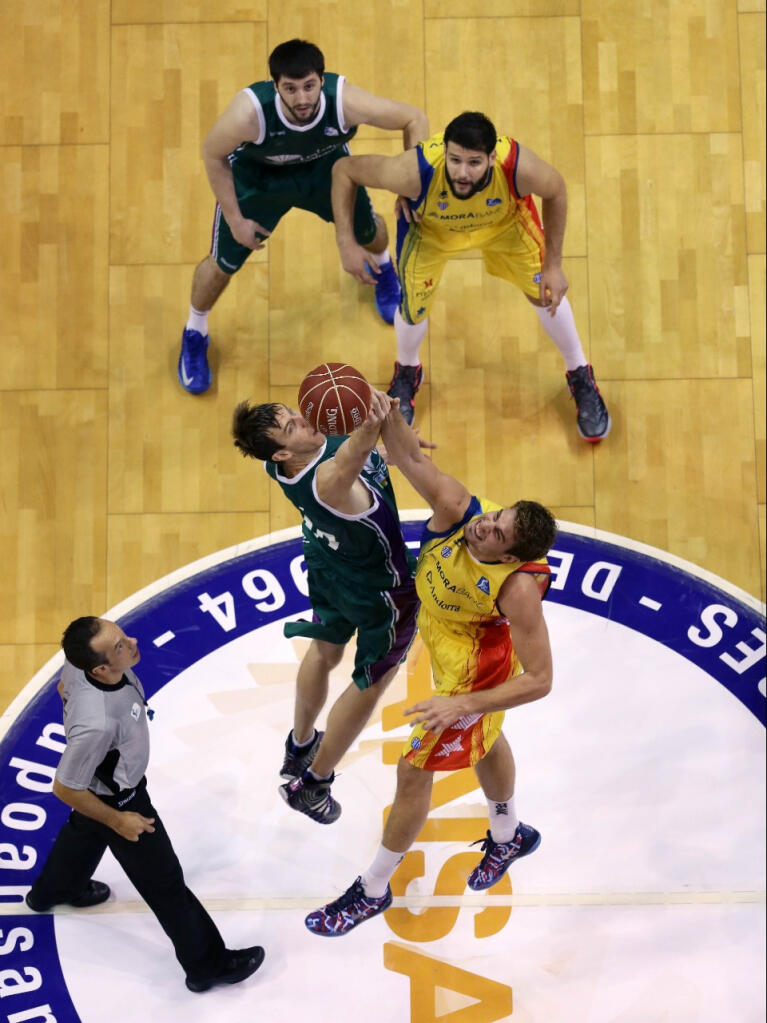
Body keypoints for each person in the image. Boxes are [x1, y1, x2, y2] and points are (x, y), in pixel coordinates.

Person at [304, 400, 556, 936]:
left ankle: (373, 889)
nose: (485, 526)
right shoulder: (460, 509)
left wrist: (461, 703)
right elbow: (410, 459)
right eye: (495, 515)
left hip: (473, 670)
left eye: (497, 534)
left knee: (413, 770)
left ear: (511, 557)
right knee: (486, 741)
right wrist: (384, 412)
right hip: (444, 644)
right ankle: (509, 833)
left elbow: (540, 680)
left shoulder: (516, 592)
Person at [331, 110, 611, 441]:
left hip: (504, 226)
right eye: (455, 160)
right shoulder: (413, 172)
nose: (462, 172)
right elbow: (344, 171)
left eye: (474, 162)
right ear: (445, 152)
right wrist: (346, 242)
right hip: (432, 233)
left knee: (546, 293)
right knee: (412, 307)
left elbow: (557, 190)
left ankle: (580, 372)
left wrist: (553, 265)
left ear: (492, 157)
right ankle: (407, 372)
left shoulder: (517, 167)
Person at [25, 617, 265, 993]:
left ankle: (53, 891)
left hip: (106, 790)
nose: (133, 641)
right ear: (102, 668)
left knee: (85, 831)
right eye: (121, 645)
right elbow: (66, 789)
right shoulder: (98, 724)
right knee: (166, 884)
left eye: (122, 635)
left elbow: (62, 688)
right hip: (123, 800)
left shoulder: (76, 664)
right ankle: (207, 965)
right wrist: (119, 819)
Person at [178, 38, 429, 394]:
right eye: (290, 89)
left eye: (309, 86)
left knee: (369, 232)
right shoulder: (249, 114)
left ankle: (383, 266)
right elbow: (212, 154)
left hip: (325, 171)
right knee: (222, 265)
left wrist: (411, 182)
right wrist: (235, 220)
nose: (302, 99)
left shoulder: (344, 102)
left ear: (321, 80)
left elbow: (413, 118)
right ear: (275, 86)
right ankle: (194, 330)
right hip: (259, 181)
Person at [231, 390, 419, 824]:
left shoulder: (280, 463)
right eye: (292, 426)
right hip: (380, 587)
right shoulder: (328, 483)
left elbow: (362, 450)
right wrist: (374, 417)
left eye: (292, 413)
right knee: (374, 677)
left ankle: (299, 744)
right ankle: (313, 783)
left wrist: (395, 448)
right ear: (281, 451)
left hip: (328, 563)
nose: (304, 419)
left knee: (325, 650)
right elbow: (355, 450)